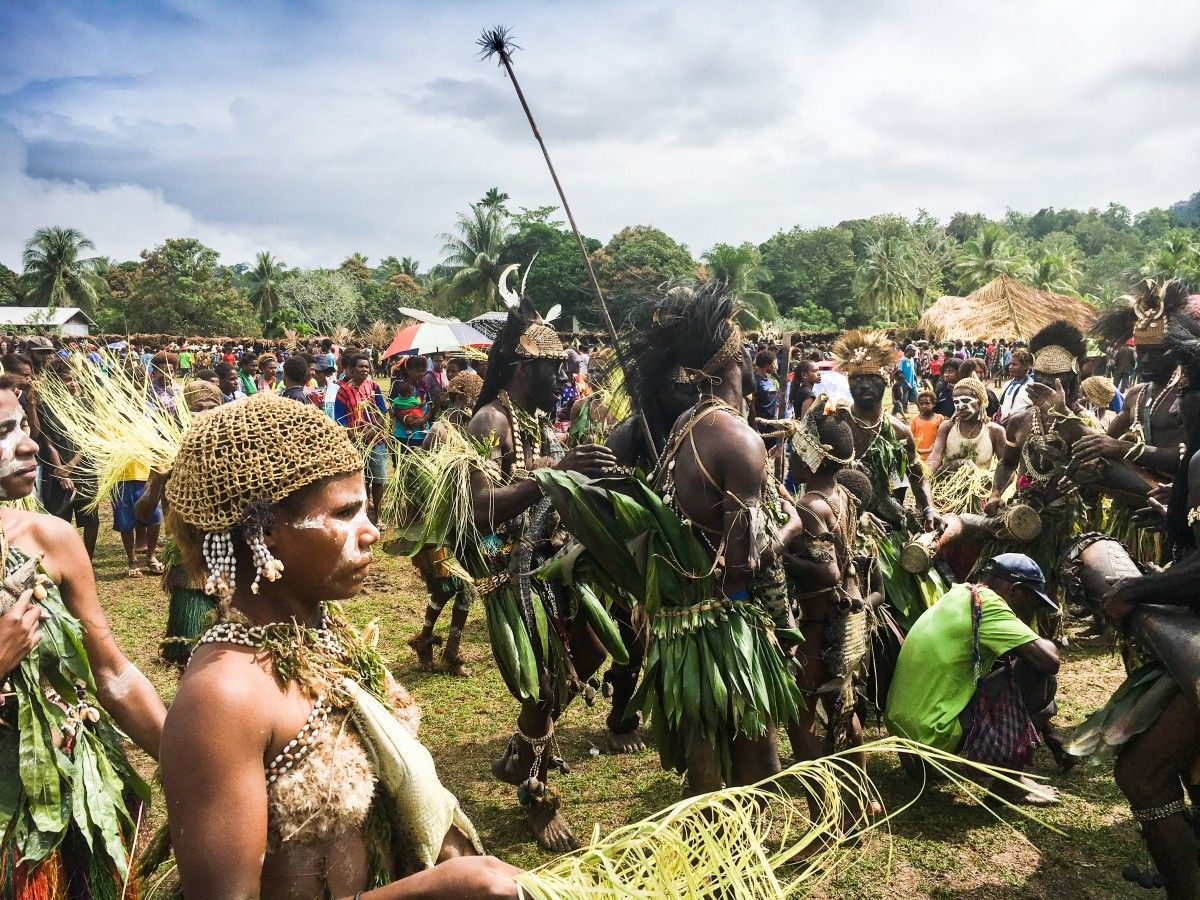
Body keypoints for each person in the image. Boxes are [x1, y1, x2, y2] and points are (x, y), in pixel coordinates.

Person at [157, 393, 518, 897]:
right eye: (346, 513)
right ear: (264, 533)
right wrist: (431, 892)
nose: (371, 532)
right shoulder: (225, 696)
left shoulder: (327, 635)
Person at [459, 296, 617, 851]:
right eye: (555, 370)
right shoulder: (490, 419)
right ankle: (536, 794)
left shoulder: (532, 419)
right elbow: (481, 508)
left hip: (551, 565)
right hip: (512, 575)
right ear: (524, 369)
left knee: (593, 654)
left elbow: (546, 479)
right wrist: (555, 478)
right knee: (544, 683)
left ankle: (523, 751)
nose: (565, 380)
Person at [0, 373, 166, 895]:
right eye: (4, 430)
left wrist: (193, 759)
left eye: (24, 424)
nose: (28, 442)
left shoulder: (51, 538)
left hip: (59, 787)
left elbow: (111, 672)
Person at [885, 553, 1061, 804]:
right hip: (934, 731)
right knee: (1040, 678)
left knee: (1021, 674)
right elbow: (1049, 662)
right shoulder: (989, 604)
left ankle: (924, 764)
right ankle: (1008, 785)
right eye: (1031, 602)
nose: (1030, 610)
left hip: (905, 729)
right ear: (1015, 590)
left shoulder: (960, 593)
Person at [406, 371, 484, 676]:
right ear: (463, 397)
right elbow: (423, 477)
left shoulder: (464, 430)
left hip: (460, 519)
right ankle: (448, 651)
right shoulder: (440, 430)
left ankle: (429, 640)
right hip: (441, 521)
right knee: (459, 585)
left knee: (455, 587)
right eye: (475, 398)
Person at [37, 357, 101, 558]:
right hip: (56, 470)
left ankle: (86, 559)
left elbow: (89, 439)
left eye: (75, 379)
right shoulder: (45, 406)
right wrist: (61, 472)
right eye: (67, 379)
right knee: (59, 517)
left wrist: (70, 467)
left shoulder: (86, 404)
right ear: (55, 381)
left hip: (85, 468)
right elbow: (48, 442)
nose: (73, 384)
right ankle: (63, 560)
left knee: (91, 518)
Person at [927, 377, 1006, 477]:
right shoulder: (947, 427)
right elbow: (935, 457)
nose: (960, 407)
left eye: (965, 401)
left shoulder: (994, 431)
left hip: (982, 488)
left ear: (980, 401)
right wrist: (926, 473)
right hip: (948, 487)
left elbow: (1006, 467)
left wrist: (995, 490)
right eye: (956, 402)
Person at [749, 349, 780, 443]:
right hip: (760, 425)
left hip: (772, 424)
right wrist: (754, 427)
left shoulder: (770, 380)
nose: (776, 367)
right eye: (774, 364)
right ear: (767, 364)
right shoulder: (754, 381)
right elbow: (751, 405)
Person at [997, 347, 1035, 423]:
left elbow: (1033, 410)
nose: (1010, 367)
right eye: (1010, 364)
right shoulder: (1007, 384)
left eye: (1014, 364)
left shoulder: (1031, 387)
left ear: (1025, 366)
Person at [391, 378, 430, 449]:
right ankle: (424, 429)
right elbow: (419, 405)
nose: (421, 374)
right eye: (418, 370)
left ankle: (409, 430)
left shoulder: (397, 400)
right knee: (419, 417)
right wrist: (424, 402)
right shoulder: (411, 399)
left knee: (408, 423)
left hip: (404, 414)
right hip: (412, 415)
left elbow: (393, 408)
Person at [910, 389, 944, 463]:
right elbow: (910, 440)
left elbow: (943, 437)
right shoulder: (914, 421)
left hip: (935, 456)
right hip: (919, 457)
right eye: (921, 404)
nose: (924, 406)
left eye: (927, 403)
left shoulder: (939, 418)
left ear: (933, 404)